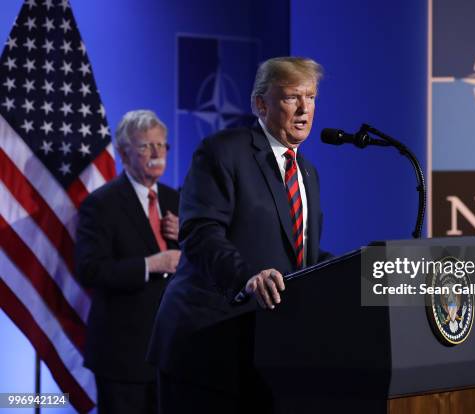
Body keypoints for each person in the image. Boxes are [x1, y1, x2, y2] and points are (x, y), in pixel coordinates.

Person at [147, 56, 332, 413]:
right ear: (260, 104)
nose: (304, 108)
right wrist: (246, 277)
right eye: (292, 97)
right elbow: (200, 233)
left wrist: (355, 271)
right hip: (205, 348)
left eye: (311, 97)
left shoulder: (307, 172)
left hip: (265, 352)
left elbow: (301, 255)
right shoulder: (223, 152)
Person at [75, 110, 181, 414]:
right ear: (122, 152)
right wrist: (150, 265)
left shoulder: (176, 201)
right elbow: (90, 269)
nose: (157, 153)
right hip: (121, 356)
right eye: (146, 146)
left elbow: (195, 265)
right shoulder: (101, 204)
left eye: (162, 145)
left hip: (170, 352)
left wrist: (185, 236)